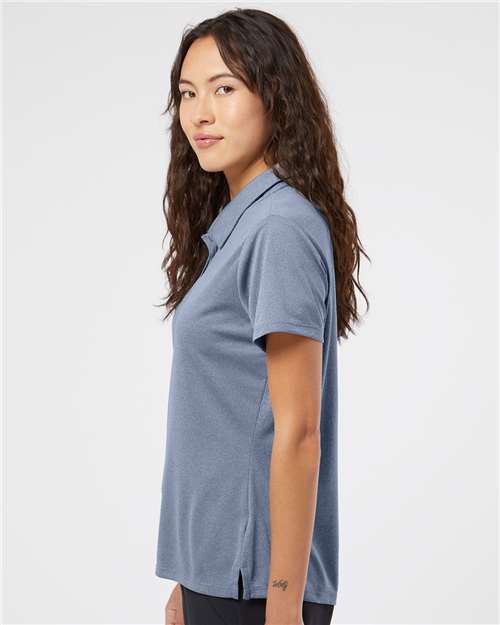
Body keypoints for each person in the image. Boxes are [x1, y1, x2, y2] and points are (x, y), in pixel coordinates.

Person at [155, 8, 370, 625]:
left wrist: (281, 604)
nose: (200, 113)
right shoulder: (243, 223)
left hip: (256, 588)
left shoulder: (278, 228)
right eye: (188, 94)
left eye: (224, 89)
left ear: (275, 96)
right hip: (220, 575)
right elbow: (222, 420)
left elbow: (298, 431)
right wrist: (191, 576)